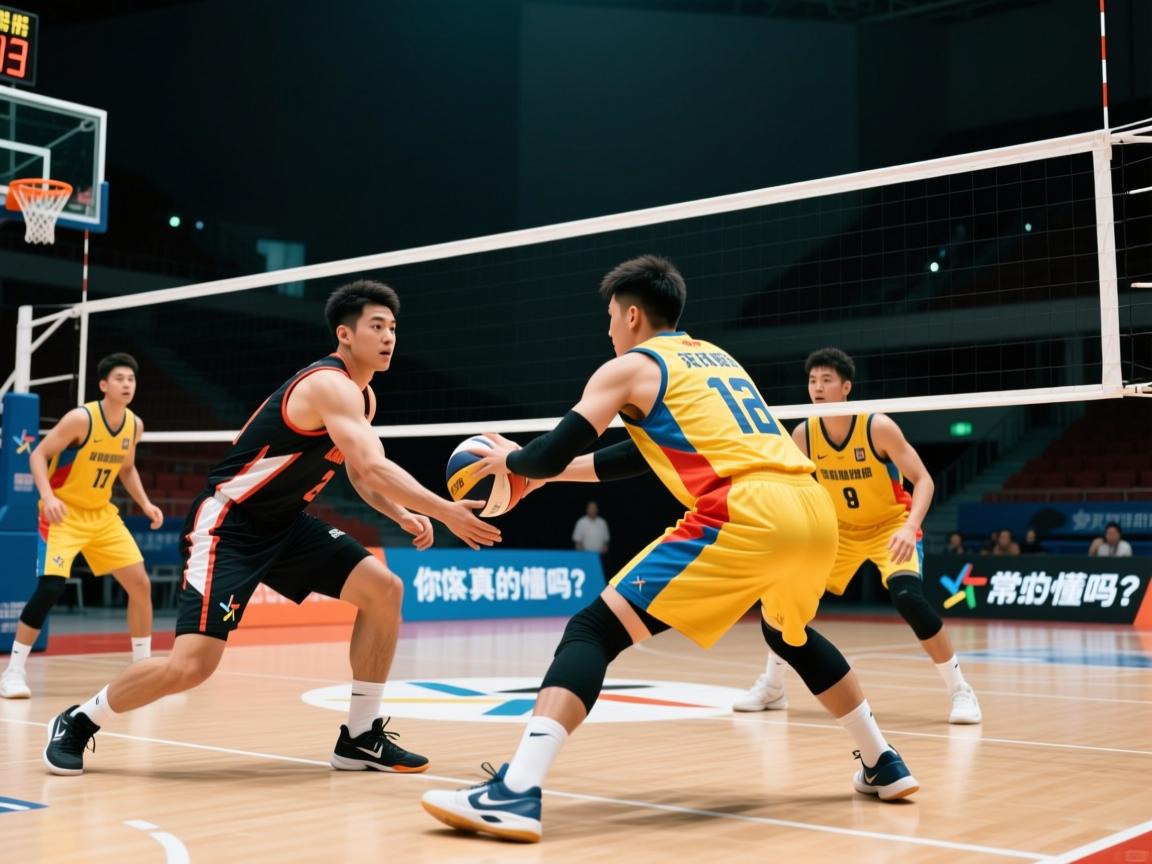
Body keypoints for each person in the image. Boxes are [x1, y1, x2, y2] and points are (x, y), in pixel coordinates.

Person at [420, 255, 918, 844]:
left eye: (611, 316)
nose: (608, 329)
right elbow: (634, 457)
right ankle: (883, 761)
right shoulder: (715, 359)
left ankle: (516, 790)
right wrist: (540, 477)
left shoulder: (630, 367)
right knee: (790, 636)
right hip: (812, 507)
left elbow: (552, 449)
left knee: (592, 630)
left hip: (747, 508)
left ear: (632, 315)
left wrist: (513, 461)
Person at [41, 280, 502, 775]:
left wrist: (400, 513)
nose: (388, 336)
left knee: (384, 590)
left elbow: (356, 471)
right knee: (192, 665)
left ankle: (359, 737)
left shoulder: (363, 398)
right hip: (229, 524)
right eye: (376, 326)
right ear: (345, 334)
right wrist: (445, 510)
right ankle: (79, 720)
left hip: (284, 525)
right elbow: (372, 467)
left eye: (392, 327)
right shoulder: (328, 385)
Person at [731, 348, 981, 726]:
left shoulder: (877, 427)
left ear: (846, 387)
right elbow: (790, 488)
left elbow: (923, 480)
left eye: (826, 380)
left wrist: (910, 526)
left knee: (908, 598)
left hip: (889, 527)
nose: (817, 387)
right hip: (838, 533)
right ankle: (773, 686)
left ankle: (960, 689)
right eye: (812, 380)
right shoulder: (804, 434)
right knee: (785, 594)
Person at [1, 353, 163, 700]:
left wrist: (145, 503)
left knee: (140, 585)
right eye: (119, 379)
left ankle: (143, 670)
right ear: (103, 385)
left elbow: (127, 468)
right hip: (63, 514)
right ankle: (13, 671)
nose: (126, 384)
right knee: (50, 589)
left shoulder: (134, 425)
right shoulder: (81, 419)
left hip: (101, 515)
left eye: (131, 379)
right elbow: (37, 454)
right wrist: (48, 496)